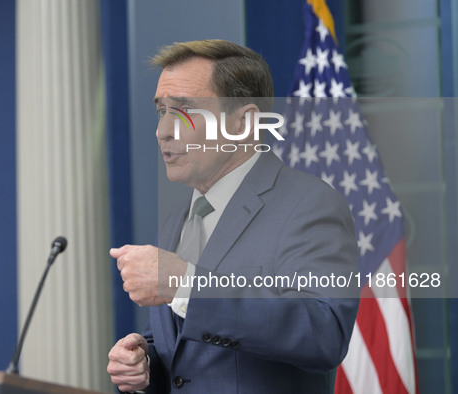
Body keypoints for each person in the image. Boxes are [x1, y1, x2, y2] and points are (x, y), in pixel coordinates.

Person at [107, 39, 359, 393]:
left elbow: (324, 332)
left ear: (242, 122)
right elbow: (186, 354)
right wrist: (144, 361)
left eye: (183, 111)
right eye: (161, 110)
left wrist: (186, 284)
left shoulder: (310, 203)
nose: (162, 131)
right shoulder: (177, 220)